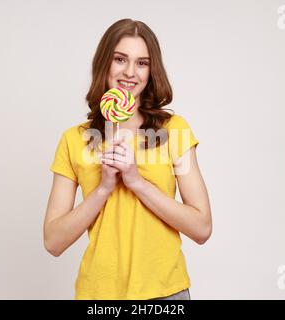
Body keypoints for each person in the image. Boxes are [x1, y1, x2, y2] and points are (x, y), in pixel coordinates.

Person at [43, 18, 212, 300]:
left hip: (164, 293)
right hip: (98, 295)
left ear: (151, 70)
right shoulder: (75, 140)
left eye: (142, 63)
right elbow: (53, 241)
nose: (130, 72)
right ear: (104, 64)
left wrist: (136, 182)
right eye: (120, 59)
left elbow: (202, 227)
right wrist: (103, 189)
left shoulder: (174, 131)